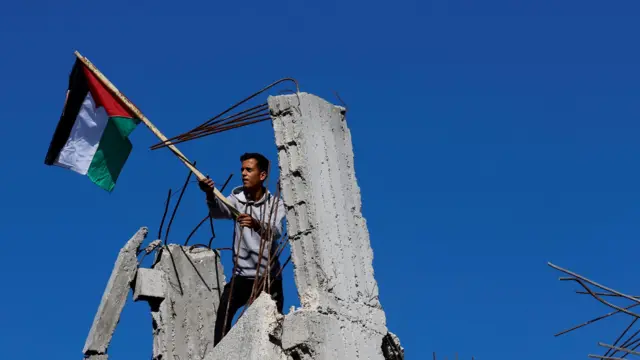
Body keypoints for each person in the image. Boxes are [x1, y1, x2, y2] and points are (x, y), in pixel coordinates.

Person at [198, 152, 286, 346]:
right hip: (242, 277)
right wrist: (208, 193)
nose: (244, 174)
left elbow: (276, 232)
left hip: (269, 279)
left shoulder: (276, 204)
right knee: (223, 317)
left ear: (262, 175)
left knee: (273, 331)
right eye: (242, 170)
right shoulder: (237, 199)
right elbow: (218, 211)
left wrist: (257, 224)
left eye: (249, 170)